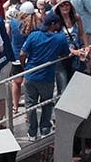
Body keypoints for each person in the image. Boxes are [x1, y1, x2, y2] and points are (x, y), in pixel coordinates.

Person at [18, 13, 74, 142]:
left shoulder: (34, 35)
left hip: (31, 75)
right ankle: (45, 130)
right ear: (53, 24)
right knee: (47, 103)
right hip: (47, 77)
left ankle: (32, 133)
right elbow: (65, 53)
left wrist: (24, 66)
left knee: (30, 105)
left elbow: (22, 53)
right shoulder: (60, 38)